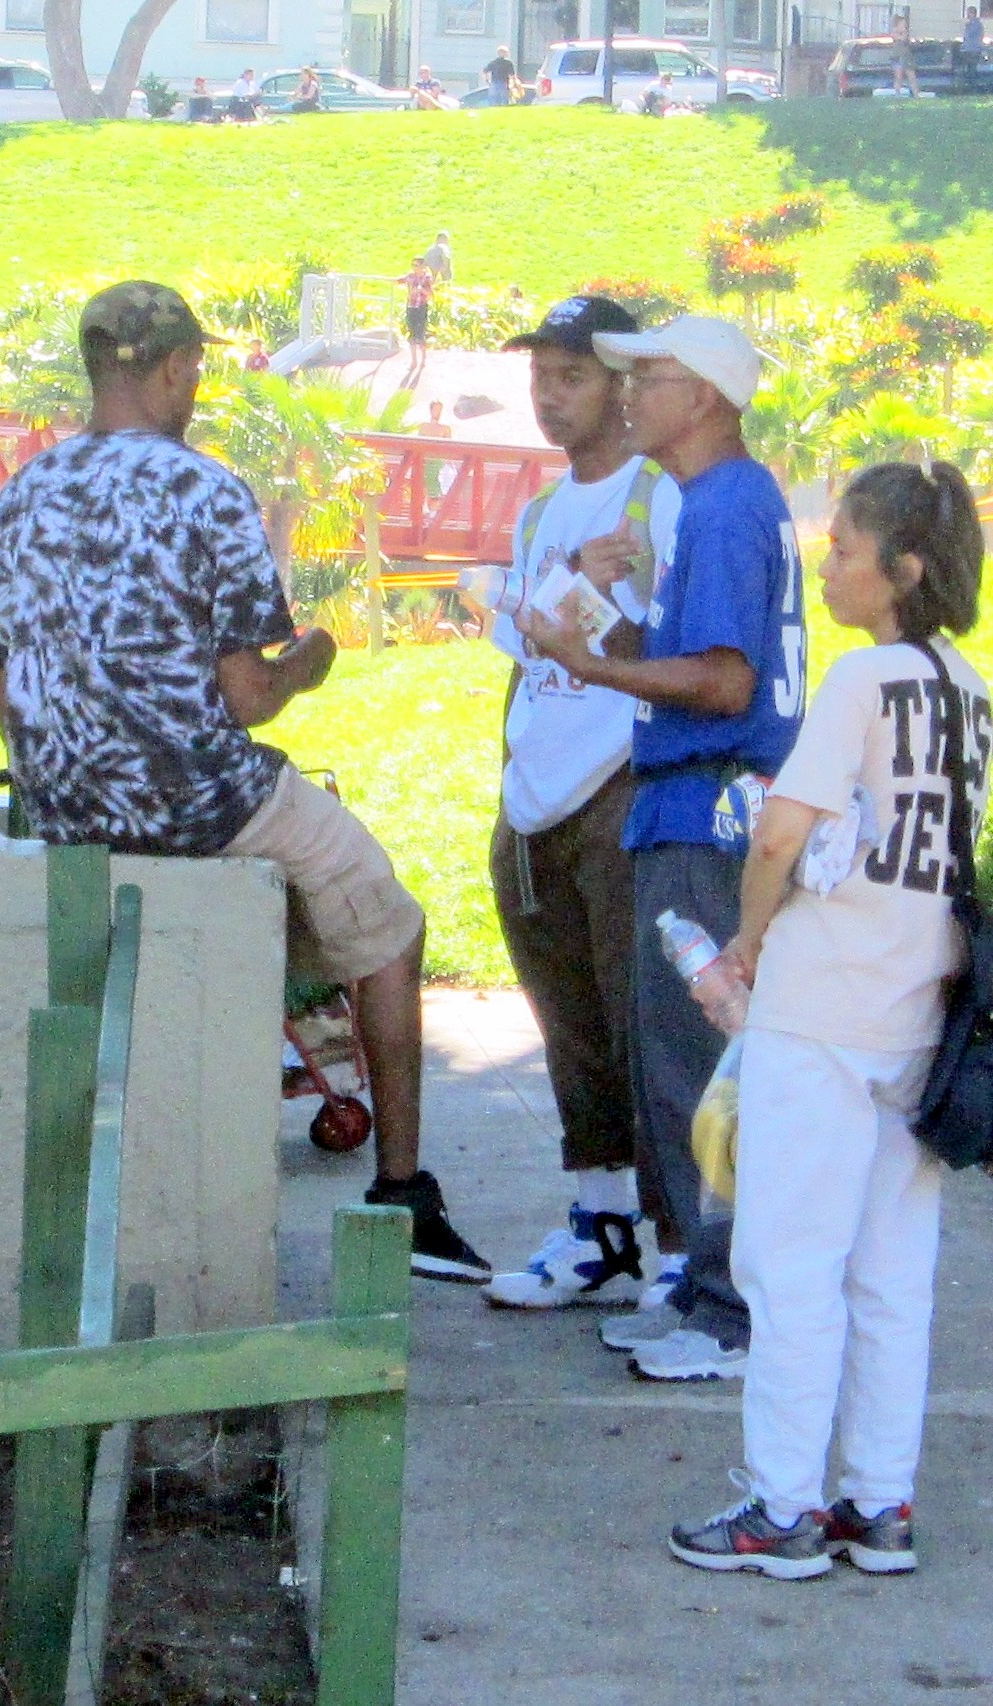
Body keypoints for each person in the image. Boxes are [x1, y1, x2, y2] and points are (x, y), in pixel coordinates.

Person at [0, 280, 488, 1284]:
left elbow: (2, 682)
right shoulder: (208, 491)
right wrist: (314, 658)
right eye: (196, 374)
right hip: (199, 796)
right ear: (174, 371)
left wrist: (68, 765)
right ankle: (403, 1188)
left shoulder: (18, 499)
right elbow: (248, 697)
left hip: (64, 804)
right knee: (388, 920)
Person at [669, 460, 986, 1579]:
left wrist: (748, 944)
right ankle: (877, 1501)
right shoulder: (965, 686)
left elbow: (779, 834)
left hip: (820, 1005)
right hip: (919, 1013)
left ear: (899, 570)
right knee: (892, 1269)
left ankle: (782, 1505)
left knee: (788, 1259)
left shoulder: (860, 679)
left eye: (844, 548)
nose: (827, 562)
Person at [521, 315, 806, 1382]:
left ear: (708, 396)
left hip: (703, 817)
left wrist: (593, 672)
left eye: (651, 376)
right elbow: (697, 659)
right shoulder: (724, 503)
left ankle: (728, 1310)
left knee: (697, 1074)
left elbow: (725, 684)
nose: (628, 391)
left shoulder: (726, 506)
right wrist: (610, 637)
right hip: (691, 812)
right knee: (672, 1067)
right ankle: (697, 1285)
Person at [480, 297, 683, 1310]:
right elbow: (527, 640)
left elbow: (667, 649)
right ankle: (600, 1220)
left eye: (570, 377)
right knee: (567, 1020)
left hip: (619, 784)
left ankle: (683, 1240)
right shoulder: (541, 510)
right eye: (539, 378)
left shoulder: (659, 495)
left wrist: (569, 606)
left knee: (646, 1019)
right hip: (536, 796)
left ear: (621, 382)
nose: (548, 397)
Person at [397, 256, 435, 379]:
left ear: (422, 266)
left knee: (421, 333)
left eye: (416, 265)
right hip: (411, 307)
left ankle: (423, 359)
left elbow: (431, 295)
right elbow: (401, 280)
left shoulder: (427, 278)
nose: (414, 268)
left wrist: (421, 290)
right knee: (412, 333)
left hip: (421, 308)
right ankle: (414, 361)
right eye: (413, 265)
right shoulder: (411, 276)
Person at [891, 9, 920, 95]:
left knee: (911, 76)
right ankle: (897, 93)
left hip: (906, 57)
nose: (904, 24)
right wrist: (902, 33)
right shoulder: (895, 31)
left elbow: (906, 40)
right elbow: (899, 38)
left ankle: (916, 94)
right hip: (898, 56)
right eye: (902, 23)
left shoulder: (905, 32)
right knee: (898, 77)